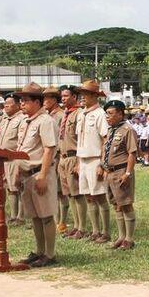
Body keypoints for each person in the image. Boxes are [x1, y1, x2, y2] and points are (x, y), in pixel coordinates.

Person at [12, 82, 60, 268]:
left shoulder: (45, 121)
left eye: (25, 100)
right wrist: (18, 172)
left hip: (40, 172)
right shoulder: (26, 122)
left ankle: (50, 253)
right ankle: (39, 251)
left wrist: (43, 176)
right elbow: (22, 149)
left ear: (37, 102)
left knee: (46, 215)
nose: (22, 104)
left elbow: (49, 149)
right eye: (21, 100)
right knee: (35, 216)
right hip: (27, 173)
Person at [75, 79, 112, 243]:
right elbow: (80, 140)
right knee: (88, 196)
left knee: (100, 196)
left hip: (95, 159)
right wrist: (78, 162)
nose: (82, 97)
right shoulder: (81, 114)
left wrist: (102, 164)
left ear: (95, 96)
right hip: (83, 159)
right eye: (81, 94)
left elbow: (105, 140)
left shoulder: (100, 114)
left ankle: (105, 231)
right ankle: (95, 230)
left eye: (86, 94)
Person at [100, 100, 138, 250]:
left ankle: (129, 238)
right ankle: (121, 237)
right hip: (110, 173)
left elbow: (132, 153)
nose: (107, 117)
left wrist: (128, 173)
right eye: (106, 114)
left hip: (121, 171)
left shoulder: (127, 130)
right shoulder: (111, 131)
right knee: (117, 205)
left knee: (126, 204)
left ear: (120, 114)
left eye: (110, 113)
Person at [59, 85, 87, 238]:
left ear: (74, 97)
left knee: (77, 194)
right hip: (63, 158)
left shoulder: (79, 114)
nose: (62, 98)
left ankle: (82, 227)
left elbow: (82, 139)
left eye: (65, 96)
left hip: (73, 156)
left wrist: (79, 162)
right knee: (69, 194)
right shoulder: (66, 113)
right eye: (62, 96)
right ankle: (76, 226)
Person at [0, 95, 26, 225]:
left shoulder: (22, 119)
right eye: (5, 104)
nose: (6, 106)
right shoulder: (4, 119)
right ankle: (13, 215)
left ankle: (21, 216)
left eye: (9, 104)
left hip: (15, 157)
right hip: (3, 158)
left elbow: (21, 139)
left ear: (17, 105)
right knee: (9, 187)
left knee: (18, 187)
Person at [43, 86, 68, 233]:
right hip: (49, 157)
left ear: (53, 100)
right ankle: (55, 218)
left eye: (46, 99)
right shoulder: (48, 116)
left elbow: (61, 138)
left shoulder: (60, 115)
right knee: (52, 190)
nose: (44, 102)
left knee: (60, 191)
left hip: (58, 156)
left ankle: (62, 221)